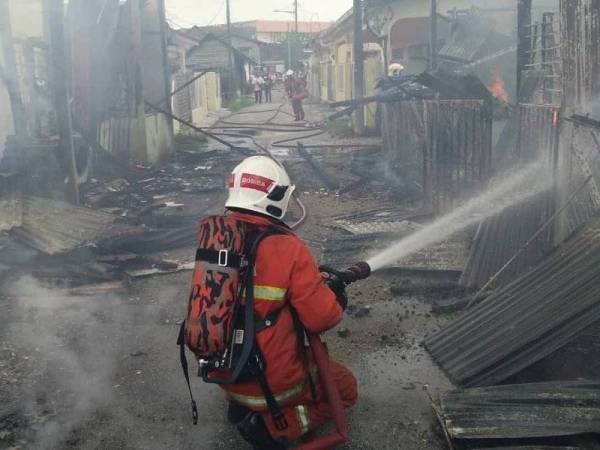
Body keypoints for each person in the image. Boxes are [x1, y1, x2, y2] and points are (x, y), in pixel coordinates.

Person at [220, 156, 357, 449]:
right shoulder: (288, 247)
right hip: (272, 380)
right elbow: (322, 318)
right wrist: (333, 299)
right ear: (276, 197)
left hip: (226, 373)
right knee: (345, 388)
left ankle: (242, 405)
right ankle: (273, 426)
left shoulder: (216, 238)